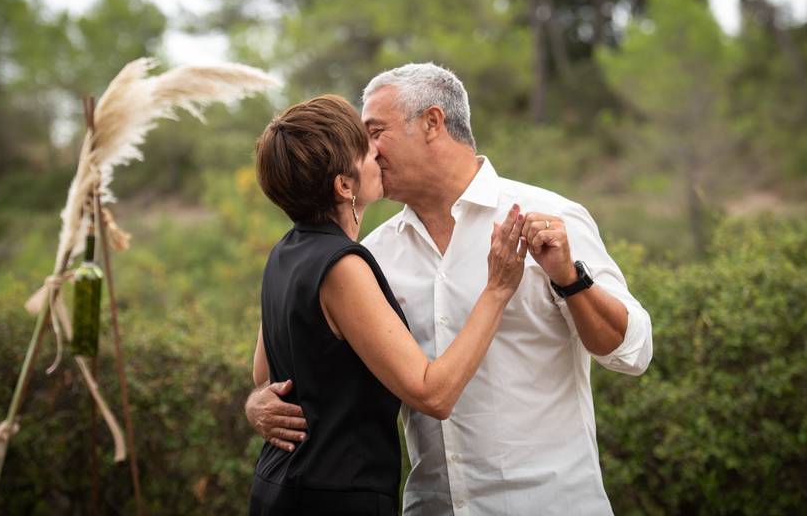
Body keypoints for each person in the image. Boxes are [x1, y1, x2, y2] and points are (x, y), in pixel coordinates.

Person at [247, 65, 653, 515]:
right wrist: (258, 405)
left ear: (432, 123)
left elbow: (632, 353)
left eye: (376, 132)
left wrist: (570, 280)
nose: (369, 151)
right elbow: (284, 365)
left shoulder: (551, 217)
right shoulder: (369, 256)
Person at [247, 94, 528, 515]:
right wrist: (497, 290)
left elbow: (263, 374)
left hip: (279, 482)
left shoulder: (285, 252)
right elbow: (433, 395)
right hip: (335, 493)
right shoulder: (342, 268)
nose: (376, 152)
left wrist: (258, 403)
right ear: (344, 186)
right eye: (364, 149)